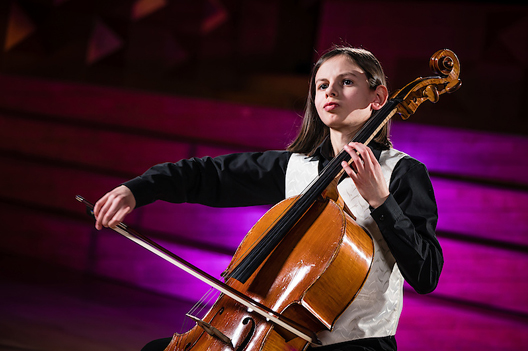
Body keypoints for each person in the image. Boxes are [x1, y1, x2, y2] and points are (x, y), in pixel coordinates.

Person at [94, 46, 443, 351]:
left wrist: (381, 201)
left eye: (346, 82)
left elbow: (426, 274)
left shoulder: (402, 173)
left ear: (378, 98)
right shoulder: (295, 167)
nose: (329, 91)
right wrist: (138, 189)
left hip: (360, 345)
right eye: (322, 85)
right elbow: (208, 174)